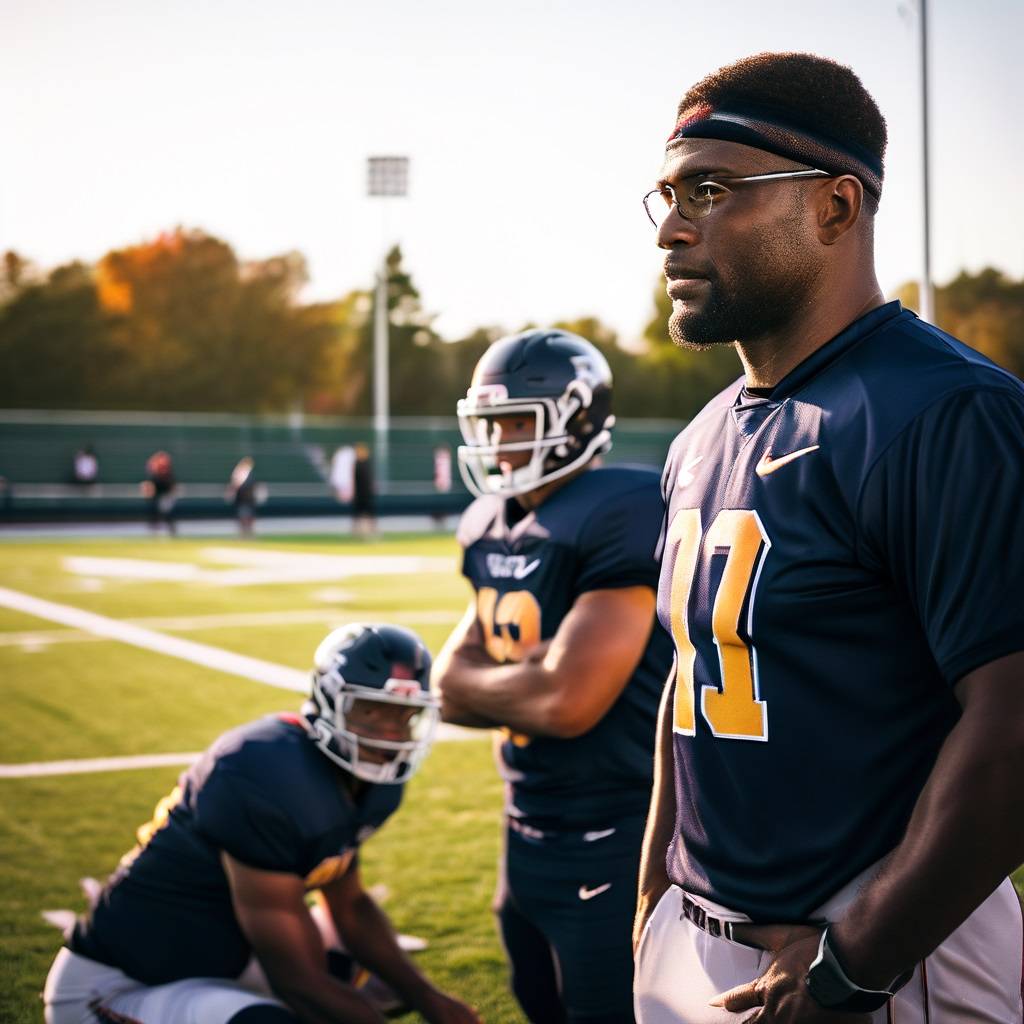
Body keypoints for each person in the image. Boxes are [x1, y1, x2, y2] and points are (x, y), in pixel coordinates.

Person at [633, 52, 1024, 1024]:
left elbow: (1015, 720)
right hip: (699, 935)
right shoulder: (699, 438)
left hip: (876, 954)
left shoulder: (946, 411)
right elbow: (693, 677)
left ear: (836, 208)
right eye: (668, 195)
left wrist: (857, 963)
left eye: (713, 190)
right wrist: (654, 896)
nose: (673, 228)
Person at [43, 623, 480, 1024]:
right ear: (330, 700)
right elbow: (300, 983)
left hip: (225, 959)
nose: (390, 732)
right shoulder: (261, 772)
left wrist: (429, 998)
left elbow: (348, 904)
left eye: (404, 714)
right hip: (120, 985)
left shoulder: (369, 780)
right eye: (371, 710)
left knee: (381, 985)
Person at [433, 329, 674, 1024]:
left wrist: (499, 682)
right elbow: (445, 682)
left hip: (614, 823)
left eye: (516, 422)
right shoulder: (488, 522)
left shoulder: (619, 510)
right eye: (490, 423)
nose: (499, 442)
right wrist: (519, 682)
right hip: (526, 819)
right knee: (536, 1002)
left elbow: (568, 702)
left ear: (574, 419)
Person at [142, 450, 178, 535]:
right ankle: (154, 527)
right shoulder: (154, 471)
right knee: (154, 509)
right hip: (157, 493)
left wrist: (172, 492)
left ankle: (171, 528)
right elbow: (150, 483)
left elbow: (172, 484)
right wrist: (148, 491)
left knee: (166, 511)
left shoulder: (168, 472)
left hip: (165, 492)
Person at [226, 455, 258, 536]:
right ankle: (244, 533)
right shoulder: (240, 472)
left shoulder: (247, 473)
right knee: (243, 516)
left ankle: (248, 533)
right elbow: (235, 484)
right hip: (242, 498)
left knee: (249, 516)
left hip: (248, 498)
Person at [352, 443, 376, 537]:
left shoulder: (367, 463)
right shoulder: (356, 464)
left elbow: (370, 479)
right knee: (357, 513)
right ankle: (356, 531)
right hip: (359, 493)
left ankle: (372, 530)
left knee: (370, 513)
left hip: (367, 493)